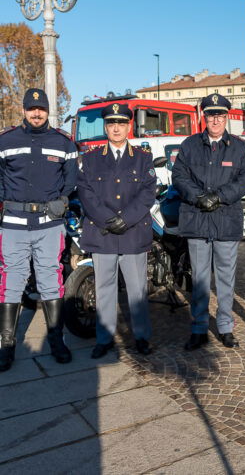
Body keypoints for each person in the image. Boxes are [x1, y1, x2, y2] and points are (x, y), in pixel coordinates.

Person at [0, 88, 78, 372]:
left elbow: (70, 180)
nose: (36, 113)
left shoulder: (64, 143)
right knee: (11, 281)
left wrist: (61, 200)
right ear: (24, 110)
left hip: (49, 225)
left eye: (41, 109)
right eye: (31, 109)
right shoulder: (6, 141)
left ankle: (57, 341)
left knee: (50, 280)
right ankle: (6, 344)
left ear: (47, 111)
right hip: (14, 224)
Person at [172, 94, 245, 350]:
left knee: (226, 278)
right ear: (203, 117)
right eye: (210, 115)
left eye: (219, 115)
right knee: (198, 278)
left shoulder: (240, 148)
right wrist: (198, 197)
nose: (215, 120)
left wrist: (219, 197)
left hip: (225, 221)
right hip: (197, 220)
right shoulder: (189, 145)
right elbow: (178, 175)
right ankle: (198, 328)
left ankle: (225, 327)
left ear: (227, 117)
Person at [78, 103, 156, 358]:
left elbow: (147, 194)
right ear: (106, 127)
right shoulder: (90, 159)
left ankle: (142, 337)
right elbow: (86, 194)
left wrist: (126, 219)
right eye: (111, 124)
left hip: (133, 233)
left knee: (137, 290)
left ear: (129, 126)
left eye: (121, 123)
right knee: (104, 288)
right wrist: (108, 220)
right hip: (103, 233)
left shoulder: (143, 158)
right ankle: (104, 338)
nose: (116, 128)